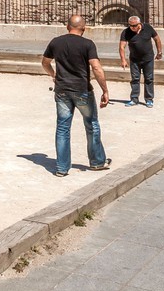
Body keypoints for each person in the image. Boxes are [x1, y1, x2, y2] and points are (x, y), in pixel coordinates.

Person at [41, 13, 111, 178]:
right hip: (81, 90)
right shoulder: (87, 44)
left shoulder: (56, 42)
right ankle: (97, 162)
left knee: (63, 128)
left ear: (67, 26)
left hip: (62, 90)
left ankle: (62, 168)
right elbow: (96, 67)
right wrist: (105, 90)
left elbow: (45, 62)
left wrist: (54, 75)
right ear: (84, 29)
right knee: (92, 124)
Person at [119, 13, 162, 107]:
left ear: (139, 24)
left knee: (149, 78)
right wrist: (123, 59)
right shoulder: (126, 32)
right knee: (135, 79)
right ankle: (134, 99)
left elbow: (157, 39)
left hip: (148, 58)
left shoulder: (147, 28)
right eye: (130, 25)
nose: (132, 27)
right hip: (134, 59)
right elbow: (122, 46)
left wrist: (159, 52)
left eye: (134, 25)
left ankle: (149, 99)